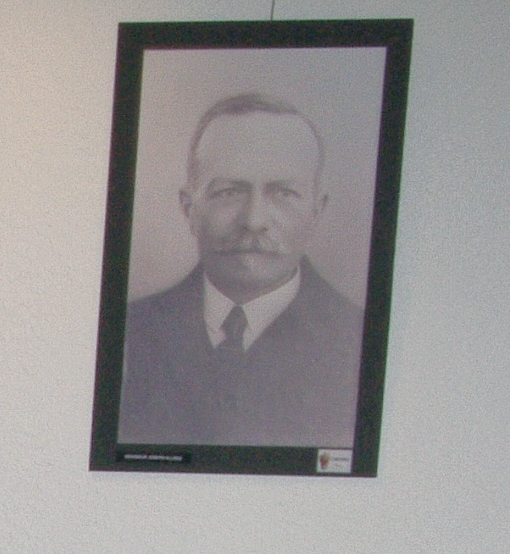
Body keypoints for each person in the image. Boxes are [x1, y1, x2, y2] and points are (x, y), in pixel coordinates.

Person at [115, 92, 368, 451]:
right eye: (228, 192)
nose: (254, 220)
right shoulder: (127, 332)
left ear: (317, 211)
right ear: (189, 209)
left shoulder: (358, 340)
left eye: (283, 193)